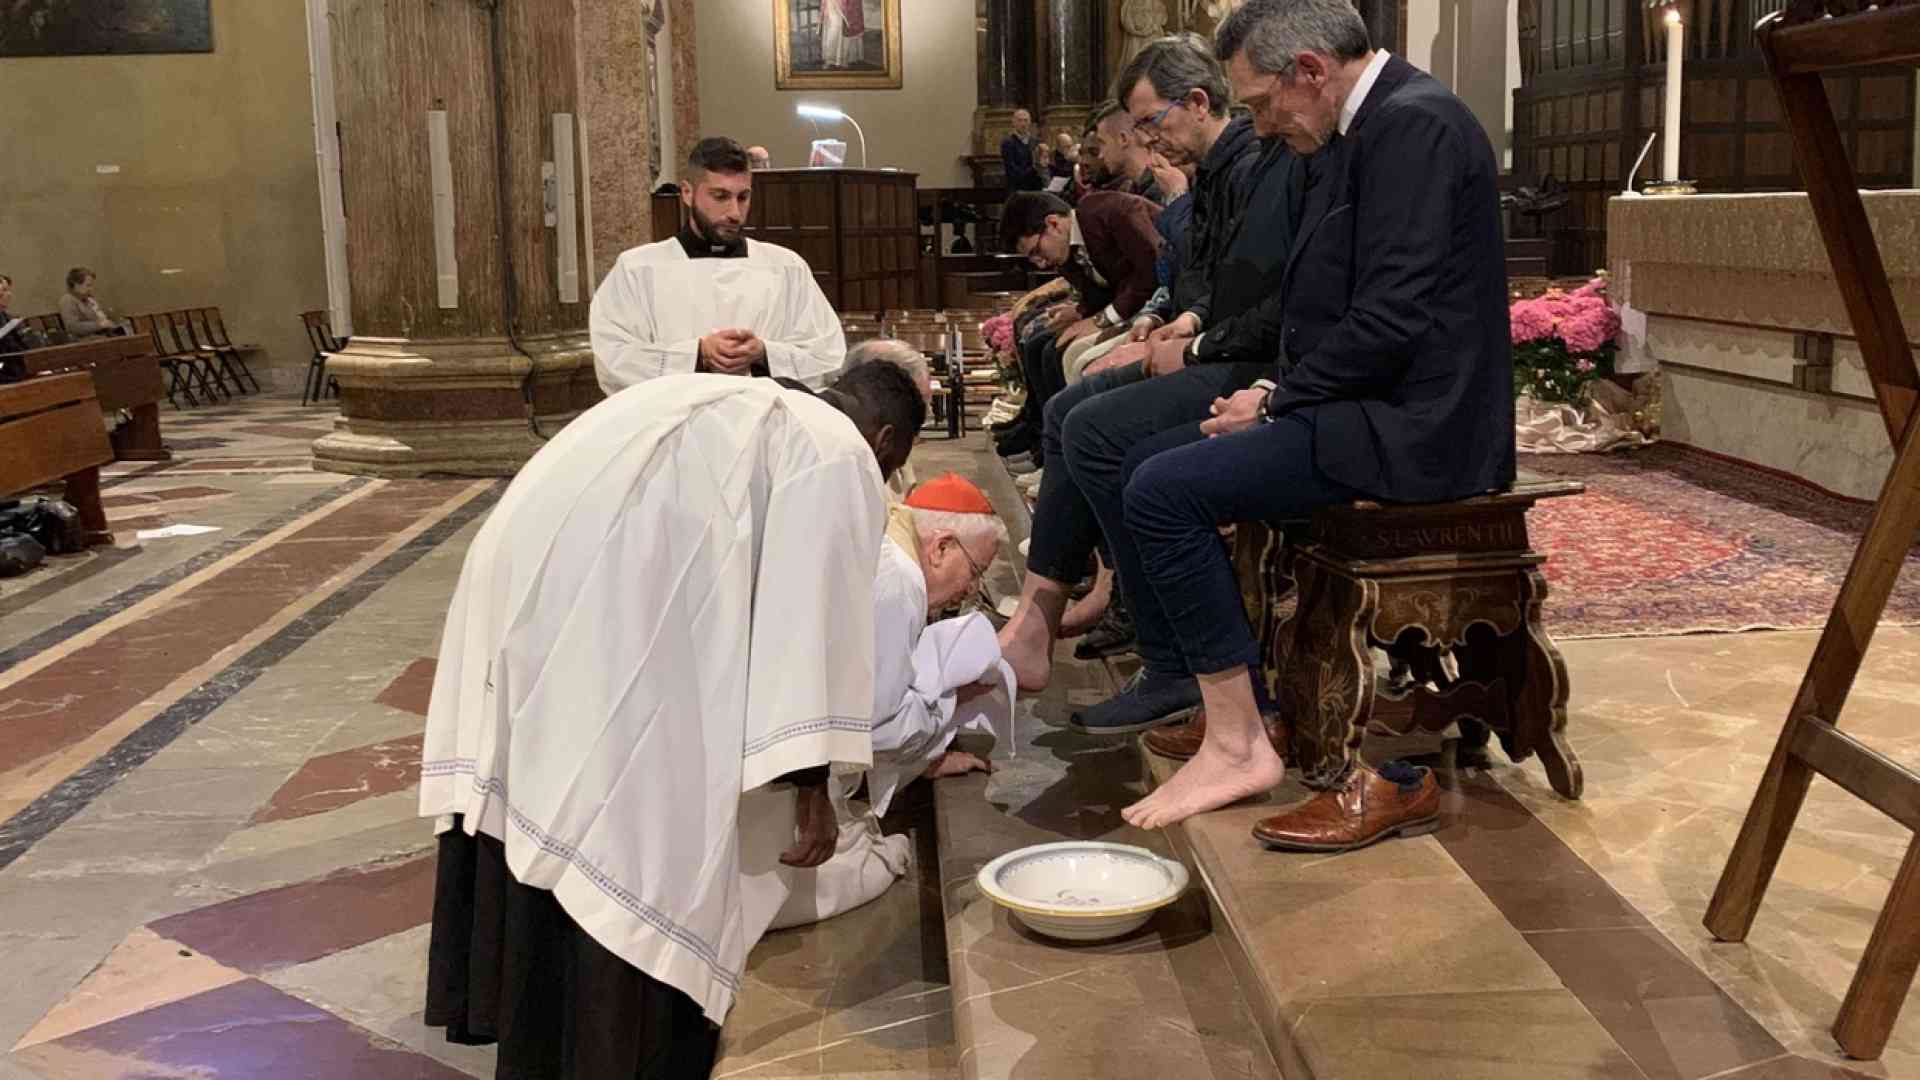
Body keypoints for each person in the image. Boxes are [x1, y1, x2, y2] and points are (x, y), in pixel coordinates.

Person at [420, 360, 926, 1079]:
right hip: (604, 607)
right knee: (633, 831)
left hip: (521, 577)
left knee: (550, 788)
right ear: (885, 442)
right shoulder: (836, 448)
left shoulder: (718, 398)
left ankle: (537, 1044)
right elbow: (808, 621)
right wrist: (811, 787)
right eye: (893, 470)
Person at [1116, 0, 1514, 836]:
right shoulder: (1363, 127)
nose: (1260, 125)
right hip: (1364, 405)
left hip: (1418, 426)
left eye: (1261, 103)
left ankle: (1238, 743)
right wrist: (1274, 391)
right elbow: (1331, 304)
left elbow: (1392, 318)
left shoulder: (1416, 126)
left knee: (1161, 491)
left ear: (1310, 70)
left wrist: (1276, 400)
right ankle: (1254, 716)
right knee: (1148, 461)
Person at [995, 34, 1289, 737]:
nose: (1147, 138)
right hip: (1225, 341)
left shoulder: (1255, 164)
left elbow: (1276, 297)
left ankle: (1162, 655)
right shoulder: (1217, 171)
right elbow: (1207, 280)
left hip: (1261, 362)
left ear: (1198, 102)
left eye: (1152, 122)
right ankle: (1045, 609)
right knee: (1071, 409)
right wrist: (1182, 320)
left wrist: (1195, 343)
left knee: (1099, 432)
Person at [769, 473, 1010, 928]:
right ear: (941, 547)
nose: (969, 591)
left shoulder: (887, 543)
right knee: (871, 864)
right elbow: (877, 729)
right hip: (779, 771)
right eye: (975, 572)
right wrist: (955, 698)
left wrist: (925, 756)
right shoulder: (900, 582)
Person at [589, 136, 845, 394]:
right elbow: (613, 359)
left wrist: (764, 353)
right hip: (676, 415)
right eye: (720, 196)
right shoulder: (638, 269)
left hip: (766, 410)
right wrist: (698, 354)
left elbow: (829, 355)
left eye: (743, 197)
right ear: (687, 193)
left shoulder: (786, 268)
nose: (734, 212)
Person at [1002, 190, 1161, 421]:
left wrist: (1100, 320)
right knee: (1042, 344)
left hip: (1158, 307)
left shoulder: (1111, 211)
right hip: (1130, 308)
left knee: (1071, 352)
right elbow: (1099, 290)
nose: (1041, 264)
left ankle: (1072, 430)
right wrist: (1080, 312)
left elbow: (1150, 271)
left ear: (1053, 223)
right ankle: (1042, 426)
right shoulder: (1066, 250)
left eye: (1037, 251)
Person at [58, 268, 116, 338]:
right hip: (86, 340)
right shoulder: (67, 300)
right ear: (76, 285)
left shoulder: (88, 298)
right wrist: (99, 325)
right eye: (88, 285)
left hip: (102, 335)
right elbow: (72, 327)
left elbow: (101, 316)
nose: (91, 289)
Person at [1000, 109, 1043, 193]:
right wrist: (1034, 168)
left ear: (1030, 123)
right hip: (1017, 189)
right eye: (1020, 120)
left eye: (1026, 120)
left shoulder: (1036, 142)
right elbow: (1012, 171)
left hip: (1035, 188)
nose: (1023, 124)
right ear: (1013, 123)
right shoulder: (1008, 143)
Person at [821, 0, 865, 68]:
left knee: (844, 32)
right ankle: (830, 60)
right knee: (833, 32)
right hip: (832, 4)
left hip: (845, 5)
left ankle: (844, 59)